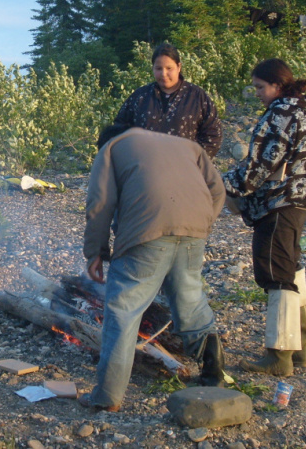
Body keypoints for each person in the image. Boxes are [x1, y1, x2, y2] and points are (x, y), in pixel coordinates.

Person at [78, 124, 227, 412]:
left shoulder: (111, 148)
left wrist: (95, 252)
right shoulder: (186, 145)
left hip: (146, 235)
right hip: (194, 231)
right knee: (190, 301)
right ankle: (213, 375)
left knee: (123, 310)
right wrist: (200, 224)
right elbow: (218, 190)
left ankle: (107, 396)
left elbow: (100, 203)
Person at [222, 58, 306, 377]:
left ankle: (279, 355)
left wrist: (223, 184)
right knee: (291, 268)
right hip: (298, 199)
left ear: (277, 86)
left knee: (276, 273)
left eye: (260, 87)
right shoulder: (302, 111)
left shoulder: (281, 113)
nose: (257, 93)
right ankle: (301, 349)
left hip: (278, 202)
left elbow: (261, 166)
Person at [114, 42, 222, 159]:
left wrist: (194, 161)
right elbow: (119, 131)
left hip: (184, 171)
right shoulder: (140, 97)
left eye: (169, 68)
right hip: (146, 170)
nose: (163, 74)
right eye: (158, 68)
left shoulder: (196, 96)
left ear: (179, 67)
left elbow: (213, 135)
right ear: (153, 68)